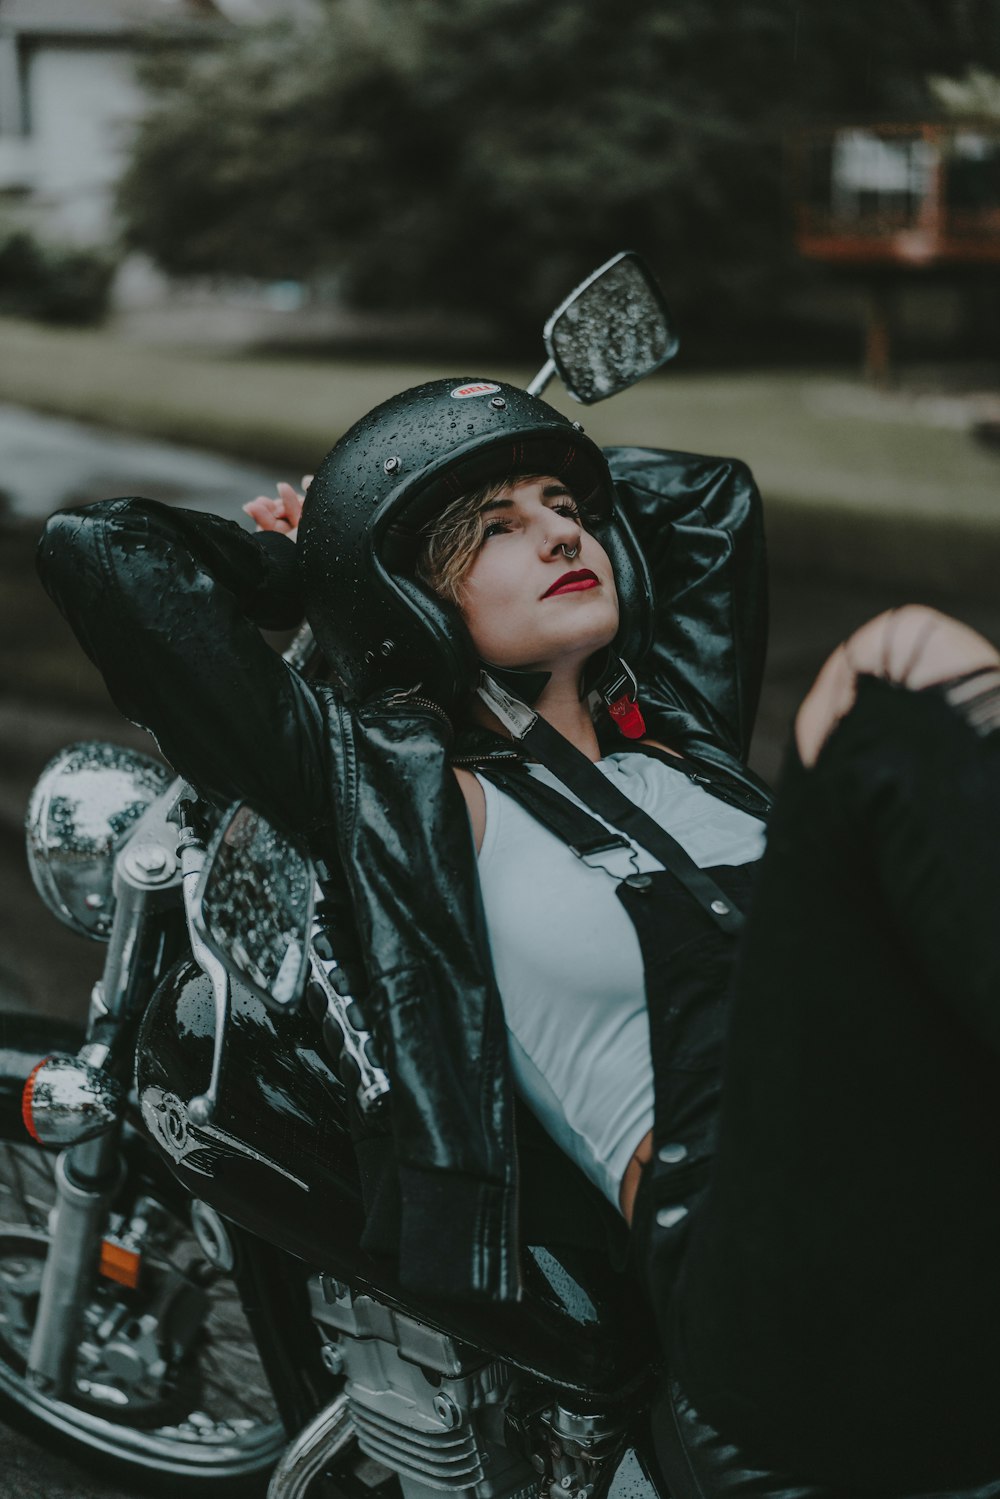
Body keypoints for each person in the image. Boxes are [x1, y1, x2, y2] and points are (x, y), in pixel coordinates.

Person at [37, 377, 1000, 1498]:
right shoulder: (404, 798)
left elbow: (703, 497)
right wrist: (327, 567)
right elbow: (105, 553)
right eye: (496, 529)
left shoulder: (678, 741)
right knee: (895, 663)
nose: (556, 530)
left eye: (563, 508)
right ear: (412, 600)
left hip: (926, 1153)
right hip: (752, 1232)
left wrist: (474, 503)